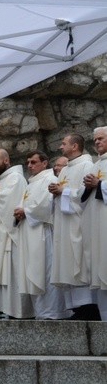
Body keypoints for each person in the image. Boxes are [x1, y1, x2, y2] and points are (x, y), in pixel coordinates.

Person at [13, 151, 69, 319]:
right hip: (29, 233)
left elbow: (46, 206)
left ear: (44, 163)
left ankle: (53, 312)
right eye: (28, 162)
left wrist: (26, 211)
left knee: (45, 271)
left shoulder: (49, 179)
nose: (29, 165)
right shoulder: (30, 184)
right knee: (33, 272)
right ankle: (40, 312)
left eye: (33, 162)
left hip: (42, 233)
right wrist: (19, 212)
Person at [49, 133, 99, 320]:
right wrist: (55, 193)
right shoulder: (65, 169)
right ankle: (75, 308)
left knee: (79, 263)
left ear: (75, 146)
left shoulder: (87, 165)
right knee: (68, 264)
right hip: (64, 224)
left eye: (64, 144)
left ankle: (87, 308)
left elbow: (86, 194)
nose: (61, 147)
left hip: (78, 224)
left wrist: (63, 191)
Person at [0, 148, 31, 319]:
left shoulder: (16, 178)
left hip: (11, 235)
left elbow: (10, 203)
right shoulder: (2, 179)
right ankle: (5, 309)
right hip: (1, 235)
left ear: (6, 160)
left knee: (14, 273)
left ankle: (21, 312)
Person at [80, 127, 107, 320]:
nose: (97, 142)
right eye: (95, 139)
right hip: (97, 225)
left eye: (101, 139)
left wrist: (100, 185)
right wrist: (89, 186)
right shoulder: (96, 165)